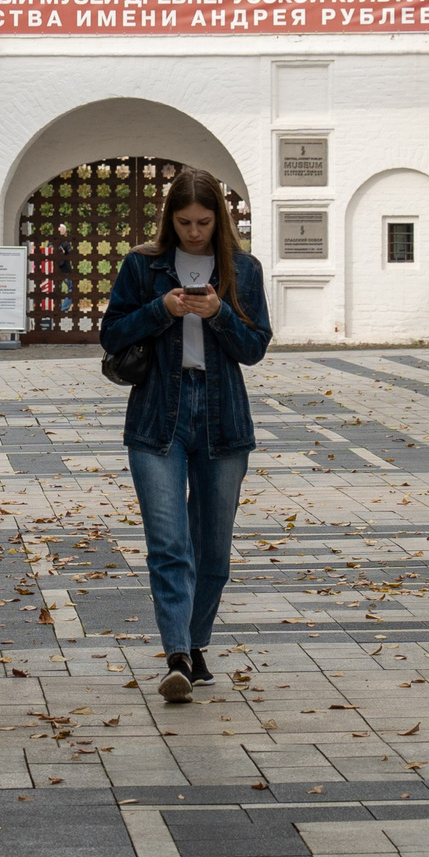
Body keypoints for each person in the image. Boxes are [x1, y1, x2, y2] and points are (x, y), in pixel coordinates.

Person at [99, 168, 273, 703]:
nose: (194, 232)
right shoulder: (143, 265)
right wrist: (160, 309)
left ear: (217, 220)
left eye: (202, 222)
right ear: (169, 220)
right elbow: (111, 334)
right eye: (184, 222)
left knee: (213, 551)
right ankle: (176, 654)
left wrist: (219, 313)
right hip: (158, 417)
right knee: (169, 543)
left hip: (222, 418)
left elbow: (255, 346)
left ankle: (196, 643)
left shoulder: (242, 269)